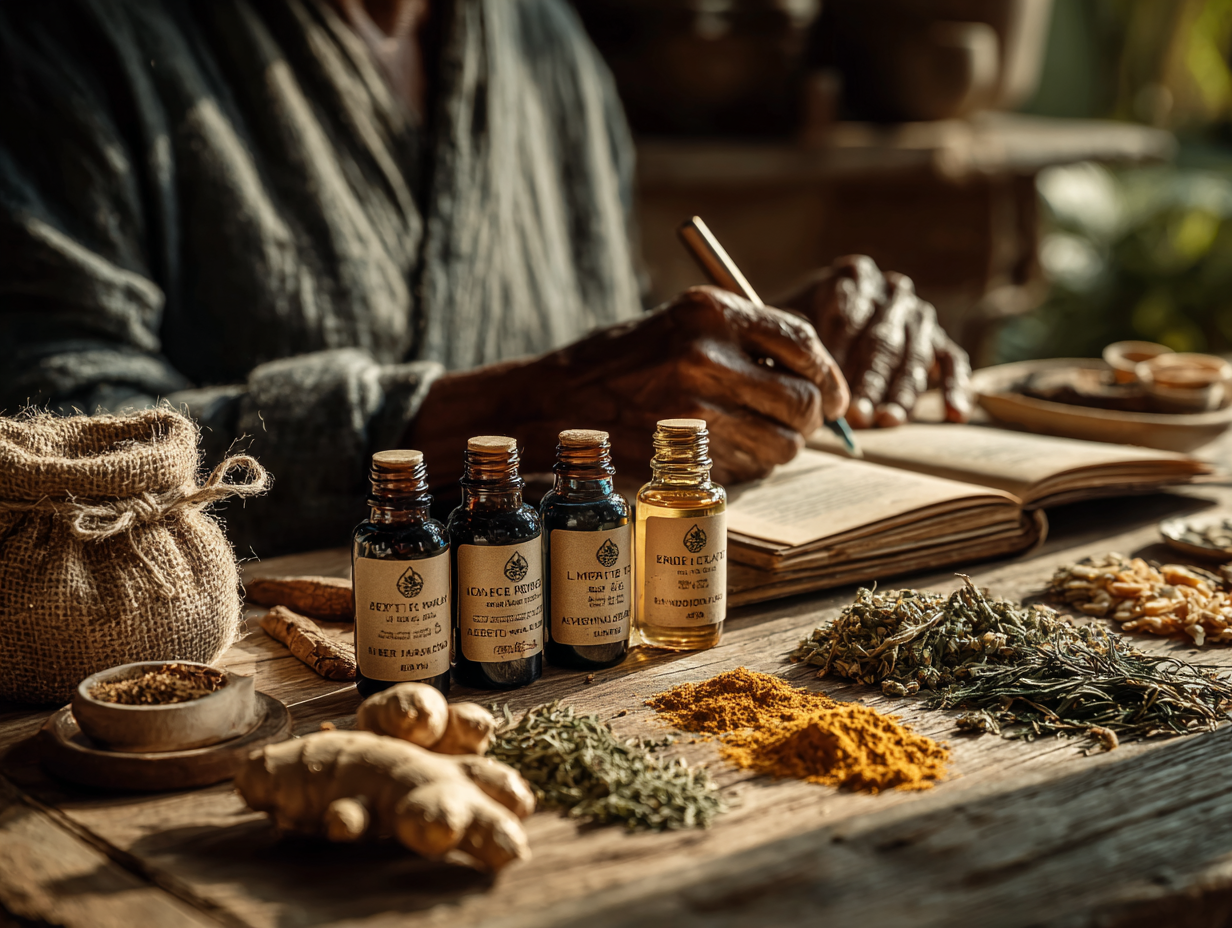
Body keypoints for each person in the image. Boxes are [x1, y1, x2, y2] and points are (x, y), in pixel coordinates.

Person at [0, 0, 971, 555]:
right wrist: (507, 416)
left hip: (577, 659)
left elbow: (600, 348)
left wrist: (747, 351)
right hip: (224, 721)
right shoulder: (71, 35)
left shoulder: (543, 42)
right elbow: (48, 447)